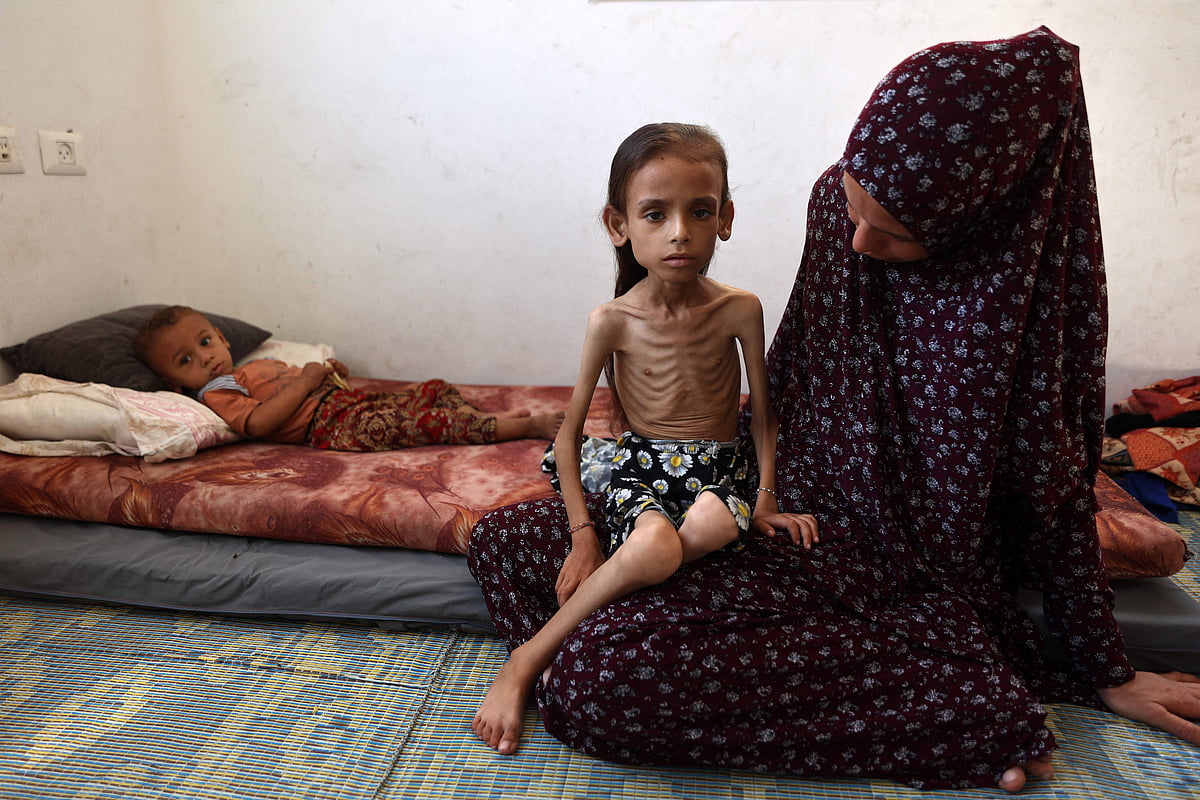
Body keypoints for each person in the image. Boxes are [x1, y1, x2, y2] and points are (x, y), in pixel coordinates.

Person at [469, 28, 1200, 791]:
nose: (857, 241)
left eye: (894, 234)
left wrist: (1108, 670)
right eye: (851, 207)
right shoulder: (832, 209)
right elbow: (785, 378)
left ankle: (967, 702)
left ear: (970, 221)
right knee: (501, 542)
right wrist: (739, 496)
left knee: (599, 685)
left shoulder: (1014, 300)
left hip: (878, 562)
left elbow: (1056, 488)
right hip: (772, 515)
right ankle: (570, 653)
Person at [471, 123, 819, 756]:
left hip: (720, 469)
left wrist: (766, 499)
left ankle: (580, 622)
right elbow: (570, 437)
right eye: (655, 214)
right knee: (656, 544)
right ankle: (530, 657)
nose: (680, 232)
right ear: (619, 224)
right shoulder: (612, 321)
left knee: (715, 520)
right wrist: (583, 535)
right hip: (642, 468)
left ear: (726, 218)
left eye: (700, 211)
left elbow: (763, 417)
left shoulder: (740, 308)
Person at [134, 305, 563, 448]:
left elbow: (309, 383)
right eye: (185, 360)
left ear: (222, 338)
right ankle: (524, 427)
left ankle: (480, 421)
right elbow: (260, 423)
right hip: (330, 427)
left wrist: (327, 375)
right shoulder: (218, 392)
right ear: (173, 383)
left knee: (434, 389)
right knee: (421, 423)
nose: (204, 358)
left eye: (205, 342)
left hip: (347, 402)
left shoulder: (254, 367)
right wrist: (306, 382)